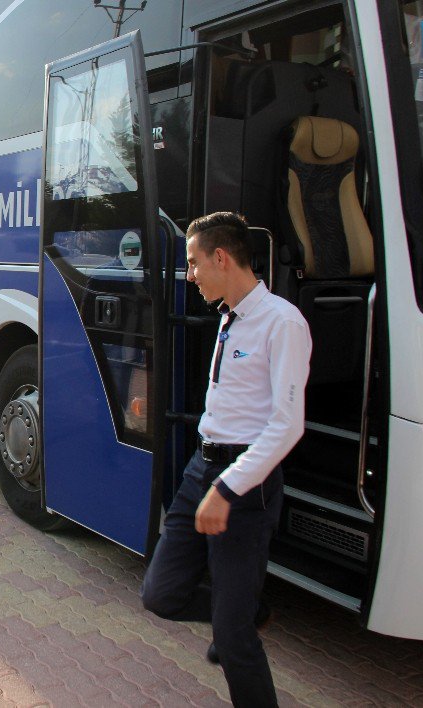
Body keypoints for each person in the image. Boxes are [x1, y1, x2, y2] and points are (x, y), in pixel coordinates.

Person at [140, 212, 312, 707]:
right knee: (160, 594)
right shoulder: (229, 315)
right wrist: (208, 480)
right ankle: (243, 610)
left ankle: (238, 619)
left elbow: (287, 425)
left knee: (233, 642)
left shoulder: (282, 322)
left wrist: (228, 487)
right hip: (202, 469)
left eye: (193, 262)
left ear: (221, 257)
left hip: (245, 484)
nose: (189, 274)